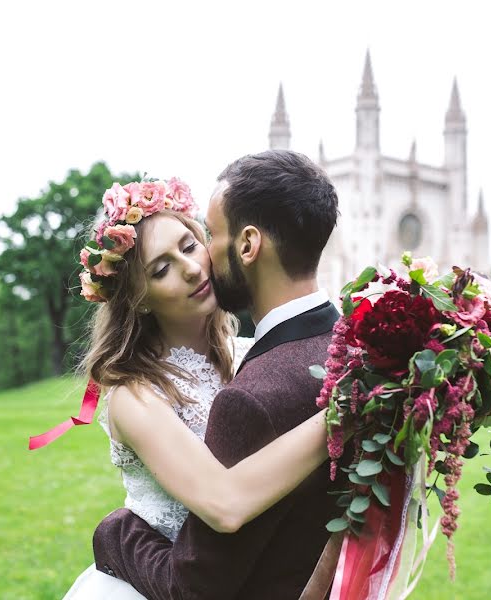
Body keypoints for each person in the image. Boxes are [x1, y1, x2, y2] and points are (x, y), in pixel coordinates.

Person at [49, 169, 347, 600]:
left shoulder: (255, 354)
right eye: (162, 269)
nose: (190, 269)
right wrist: (343, 418)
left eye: (190, 246)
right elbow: (223, 504)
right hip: (154, 584)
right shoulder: (136, 395)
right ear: (139, 298)